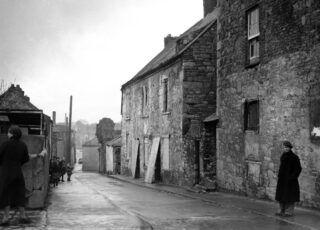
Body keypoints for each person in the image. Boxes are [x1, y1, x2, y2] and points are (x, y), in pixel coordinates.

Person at [0, 125, 45, 226]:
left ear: (11, 134)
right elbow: (25, 159)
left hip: (6, 173)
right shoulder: (22, 145)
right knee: (20, 193)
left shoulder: (4, 145)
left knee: (6, 194)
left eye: (8, 132)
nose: (7, 134)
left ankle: (6, 217)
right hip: (18, 172)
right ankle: (22, 215)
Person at [275, 141, 302, 217]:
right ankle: (281, 210)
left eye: (287, 147)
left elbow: (298, 169)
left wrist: (292, 177)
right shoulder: (283, 156)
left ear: (290, 148)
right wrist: (280, 175)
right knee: (281, 195)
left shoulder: (294, 157)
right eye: (284, 147)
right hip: (282, 180)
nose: (285, 149)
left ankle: (289, 212)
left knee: (289, 196)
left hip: (290, 181)